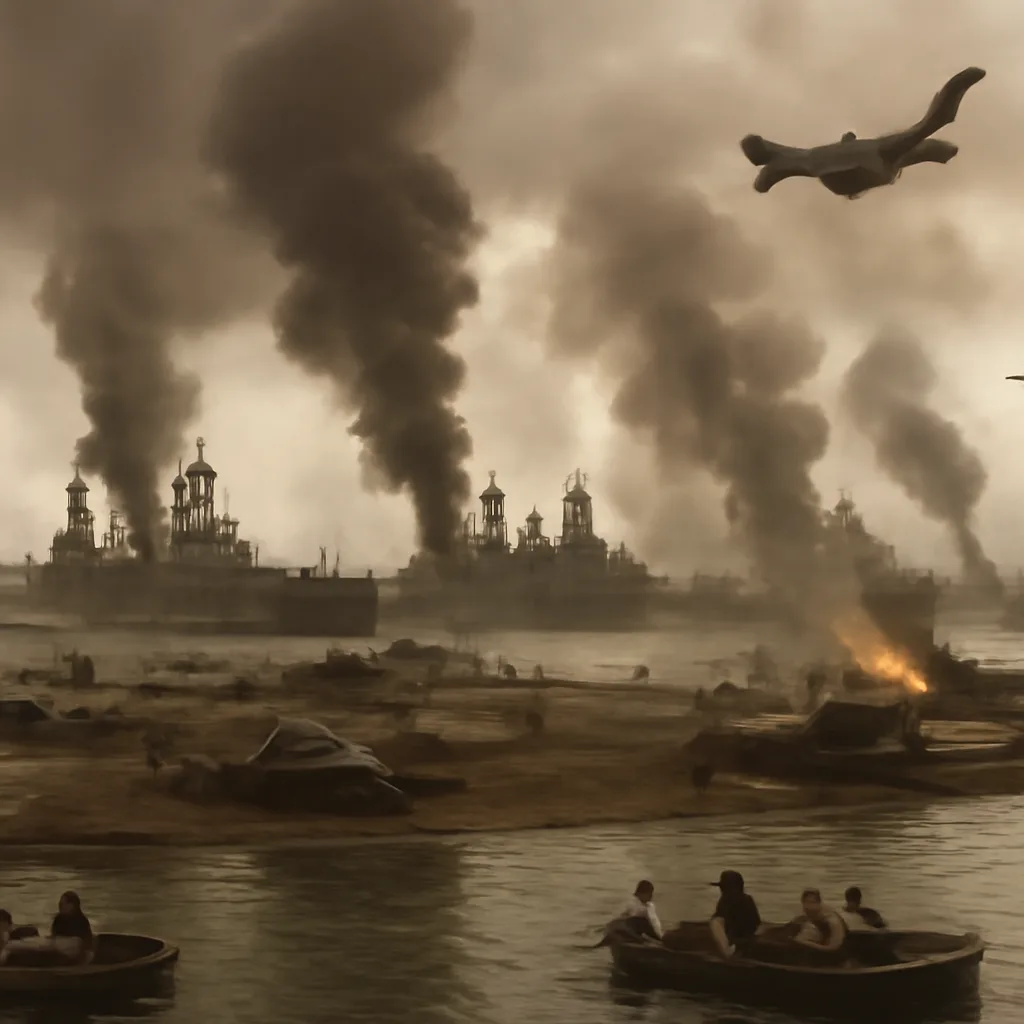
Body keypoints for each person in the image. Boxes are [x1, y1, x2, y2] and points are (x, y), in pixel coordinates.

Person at [709, 870, 761, 958]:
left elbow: (719, 918)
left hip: (734, 940)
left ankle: (727, 952)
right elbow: (756, 922)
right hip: (749, 935)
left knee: (715, 922)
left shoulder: (726, 900)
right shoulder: (748, 899)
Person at [50, 891, 94, 964]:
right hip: (60, 952)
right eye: (60, 904)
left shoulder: (81, 920)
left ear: (72, 906)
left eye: (62, 904)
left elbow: (87, 942)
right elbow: (54, 937)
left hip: (76, 955)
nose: (59, 906)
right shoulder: (58, 919)